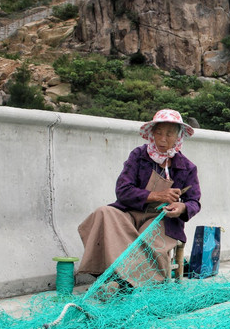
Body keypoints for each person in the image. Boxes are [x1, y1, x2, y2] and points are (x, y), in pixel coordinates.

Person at [77, 109, 201, 290]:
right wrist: (158, 195)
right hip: (131, 212)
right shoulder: (138, 156)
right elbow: (122, 190)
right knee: (104, 213)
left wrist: (181, 207)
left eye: (169, 134)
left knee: (148, 235)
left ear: (178, 137)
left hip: (162, 219)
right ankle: (114, 276)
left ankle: (127, 284)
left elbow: (194, 201)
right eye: (158, 132)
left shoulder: (187, 167)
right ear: (151, 134)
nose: (162, 139)